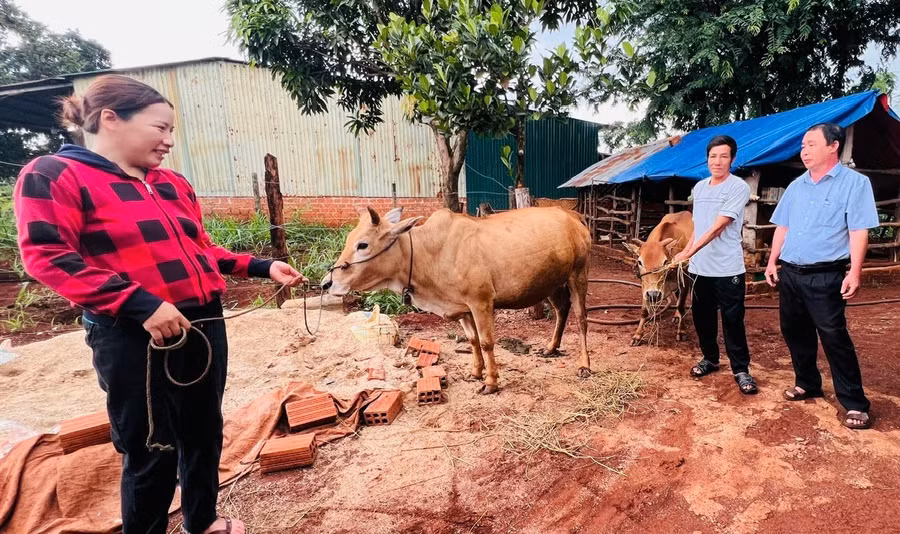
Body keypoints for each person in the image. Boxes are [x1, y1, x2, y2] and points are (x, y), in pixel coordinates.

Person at [14, 74, 307, 533]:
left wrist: (261, 266)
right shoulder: (55, 174)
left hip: (203, 322)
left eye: (172, 130)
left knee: (204, 430)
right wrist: (140, 304)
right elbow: (47, 256)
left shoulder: (171, 184)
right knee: (152, 447)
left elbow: (199, 248)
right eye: (160, 128)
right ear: (111, 119)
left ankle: (201, 520)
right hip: (135, 334)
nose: (169, 140)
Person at [765, 122, 878, 430]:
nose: (804, 151)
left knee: (834, 336)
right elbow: (783, 226)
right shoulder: (796, 186)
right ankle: (807, 382)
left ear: (833, 146)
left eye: (811, 144)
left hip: (826, 275)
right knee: (794, 330)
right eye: (803, 146)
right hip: (791, 272)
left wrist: (855, 271)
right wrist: (772, 261)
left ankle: (854, 403)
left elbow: (859, 230)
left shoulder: (855, 184)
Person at [672, 135, 756, 394]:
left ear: (732, 159)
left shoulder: (738, 187)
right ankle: (710, 358)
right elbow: (699, 227)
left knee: (732, 319)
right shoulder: (699, 188)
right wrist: (686, 252)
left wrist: (689, 252)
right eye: (713, 156)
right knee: (702, 317)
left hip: (727, 268)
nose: (717, 161)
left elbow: (718, 227)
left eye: (723, 156)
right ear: (707, 159)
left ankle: (741, 369)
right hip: (700, 269)